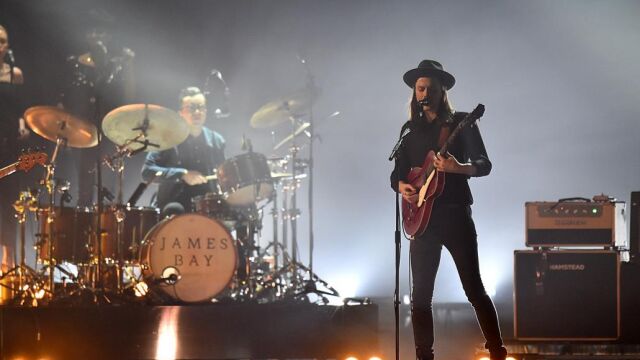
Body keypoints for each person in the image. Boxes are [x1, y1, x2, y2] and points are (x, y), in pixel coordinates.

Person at [390, 60, 507, 360]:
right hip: (421, 222)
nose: (424, 92)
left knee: (474, 289)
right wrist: (402, 186)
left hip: (455, 216)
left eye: (430, 87)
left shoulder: (462, 122)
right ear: (414, 93)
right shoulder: (408, 131)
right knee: (420, 299)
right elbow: (397, 174)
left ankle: (497, 352)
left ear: (442, 91)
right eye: (420, 88)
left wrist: (459, 168)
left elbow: (485, 165)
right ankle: (423, 356)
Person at [142, 86, 226, 215]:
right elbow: (147, 172)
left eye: (201, 107)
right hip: (172, 211)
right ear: (180, 113)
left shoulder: (217, 141)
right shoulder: (167, 138)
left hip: (207, 212)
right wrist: (182, 174)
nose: (197, 112)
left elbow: (224, 177)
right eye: (191, 108)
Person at [0, 24, 28, 271]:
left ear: (7, 46)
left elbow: (20, 108)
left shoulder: (14, 74)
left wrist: (22, 124)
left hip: (7, 145)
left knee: (9, 201)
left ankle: (8, 261)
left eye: (2, 41)